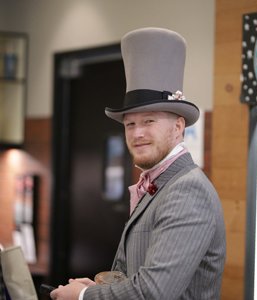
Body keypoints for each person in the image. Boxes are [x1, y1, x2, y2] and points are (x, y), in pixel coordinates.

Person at [50, 27, 226, 300]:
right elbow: (134, 277)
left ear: (179, 127)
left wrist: (84, 296)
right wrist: (96, 289)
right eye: (130, 124)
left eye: (149, 121)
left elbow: (154, 292)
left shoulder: (187, 190)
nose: (137, 133)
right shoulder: (158, 185)